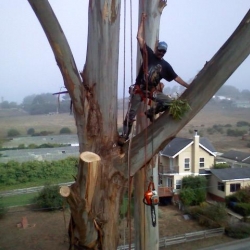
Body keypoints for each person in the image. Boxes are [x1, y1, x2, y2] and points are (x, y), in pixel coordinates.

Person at [121, 13, 189, 141]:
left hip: (151, 91)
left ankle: (151, 112)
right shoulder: (149, 54)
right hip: (139, 90)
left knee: (169, 102)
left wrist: (188, 86)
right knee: (131, 114)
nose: (161, 53)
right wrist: (142, 20)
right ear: (156, 49)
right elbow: (139, 37)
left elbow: (176, 78)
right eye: (160, 50)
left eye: (163, 52)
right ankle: (124, 136)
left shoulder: (165, 66)